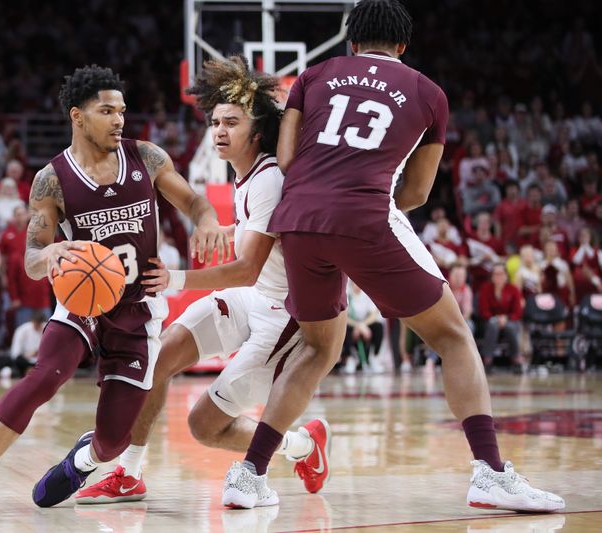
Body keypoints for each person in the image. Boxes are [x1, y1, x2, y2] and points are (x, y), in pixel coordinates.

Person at [262, 0, 562, 512]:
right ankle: (490, 473)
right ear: (403, 45)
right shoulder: (429, 92)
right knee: (453, 336)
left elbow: (287, 160)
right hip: (364, 218)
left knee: (315, 350)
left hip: (297, 221)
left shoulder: (312, 76)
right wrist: (364, 214)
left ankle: (248, 473)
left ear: (351, 42)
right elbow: (418, 192)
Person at [0, 65, 228, 526]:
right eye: (106, 111)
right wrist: (50, 251)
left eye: (121, 111)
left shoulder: (146, 158)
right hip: (84, 304)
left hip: (139, 310)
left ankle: (83, 462)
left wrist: (207, 220)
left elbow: (193, 202)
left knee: (113, 442)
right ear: (77, 116)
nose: (118, 120)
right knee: (44, 377)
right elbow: (32, 259)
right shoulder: (52, 180)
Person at [74, 56, 330, 509]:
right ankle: (129, 475)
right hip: (254, 297)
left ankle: (303, 448)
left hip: (282, 316)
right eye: (215, 122)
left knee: (202, 426)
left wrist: (174, 278)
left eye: (232, 122)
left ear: (258, 129)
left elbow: (247, 268)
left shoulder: (269, 177)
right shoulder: (245, 175)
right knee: (160, 358)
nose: (219, 132)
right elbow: (265, 241)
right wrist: (232, 231)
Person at [478, 263, 525, 373]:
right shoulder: (486, 289)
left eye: (501, 274)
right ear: (492, 276)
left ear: (506, 275)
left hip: (510, 320)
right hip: (491, 321)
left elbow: (518, 312)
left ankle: (516, 359)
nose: (498, 276)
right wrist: (497, 318)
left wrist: (506, 318)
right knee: (493, 326)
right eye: (495, 274)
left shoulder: (513, 289)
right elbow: (483, 310)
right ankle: (488, 360)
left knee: (510, 327)